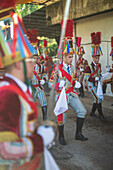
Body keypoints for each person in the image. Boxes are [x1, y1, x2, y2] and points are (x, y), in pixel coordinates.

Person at [0, 13, 56, 169]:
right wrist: (39, 140)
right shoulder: (8, 94)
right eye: (30, 60)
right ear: (18, 64)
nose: (34, 64)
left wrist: (38, 129)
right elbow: (5, 150)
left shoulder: (17, 89)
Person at [49, 38, 88, 145]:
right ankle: (61, 136)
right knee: (62, 117)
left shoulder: (73, 69)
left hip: (71, 93)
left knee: (82, 111)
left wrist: (76, 83)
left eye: (72, 57)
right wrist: (57, 85)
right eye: (70, 57)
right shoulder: (57, 69)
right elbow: (49, 84)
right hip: (61, 95)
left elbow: (73, 79)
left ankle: (78, 134)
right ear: (64, 57)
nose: (71, 59)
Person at [84, 32, 105, 120]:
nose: (97, 59)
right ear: (93, 58)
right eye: (96, 58)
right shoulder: (89, 67)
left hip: (97, 85)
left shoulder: (99, 65)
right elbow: (86, 78)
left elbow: (99, 74)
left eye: (98, 58)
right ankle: (101, 115)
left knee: (97, 99)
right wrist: (94, 78)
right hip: (91, 85)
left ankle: (92, 112)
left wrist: (101, 76)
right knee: (98, 99)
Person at [32, 54, 48, 120]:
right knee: (31, 104)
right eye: (33, 58)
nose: (35, 59)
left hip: (39, 87)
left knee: (44, 102)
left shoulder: (41, 66)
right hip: (31, 88)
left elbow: (44, 74)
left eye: (36, 58)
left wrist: (44, 80)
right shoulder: (27, 67)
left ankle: (45, 119)